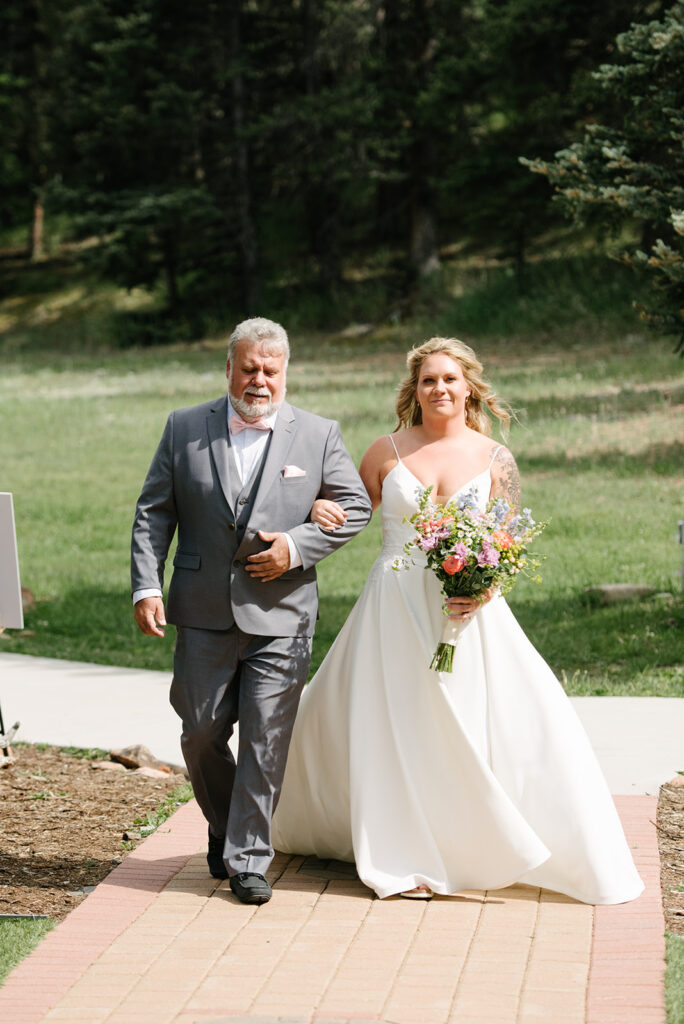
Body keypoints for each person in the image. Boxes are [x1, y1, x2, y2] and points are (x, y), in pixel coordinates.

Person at [272, 336, 644, 904]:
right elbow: (346, 512)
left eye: (449, 379)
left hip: (465, 613)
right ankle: (405, 852)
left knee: (468, 723)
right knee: (395, 725)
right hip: (391, 609)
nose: (439, 388)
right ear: (414, 390)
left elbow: (507, 540)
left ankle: (470, 840)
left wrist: (485, 587)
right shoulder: (384, 452)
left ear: (468, 385)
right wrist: (316, 509)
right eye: (428, 380)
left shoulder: (496, 460)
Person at [131, 317, 372, 905]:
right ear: (231, 368)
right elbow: (153, 512)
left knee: (266, 740)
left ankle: (247, 857)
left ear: (285, 371)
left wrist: (295, 546)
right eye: (249, 369)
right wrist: (147, 586)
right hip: (204, 609)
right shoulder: (185, 426)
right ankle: (222, 823)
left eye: (270, 370)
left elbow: (357, 505)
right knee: (201, 732)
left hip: (282, 613)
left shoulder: (318, 434)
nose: (259, 380)